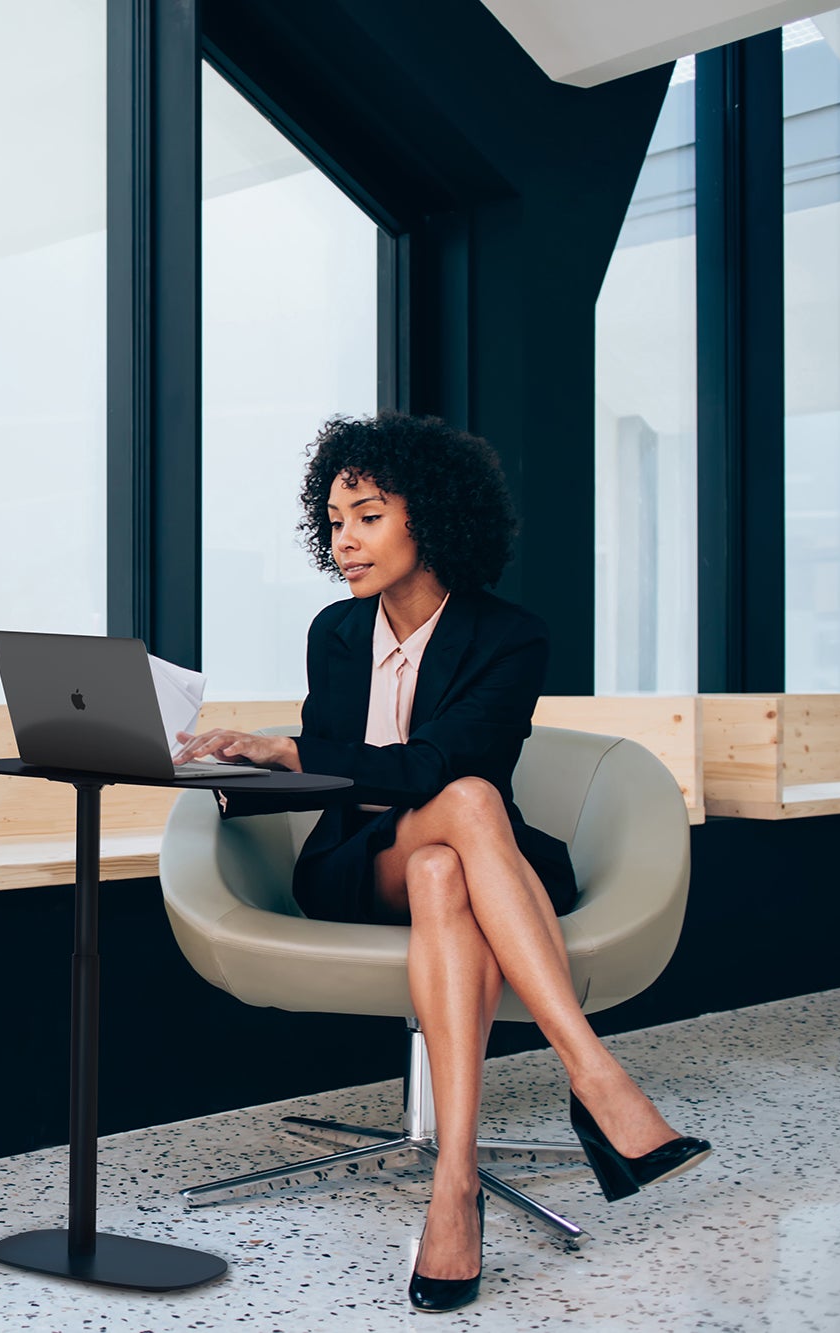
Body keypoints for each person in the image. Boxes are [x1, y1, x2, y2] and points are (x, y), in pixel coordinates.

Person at [174, 412, 710, 1314]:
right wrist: (250, 767)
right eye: (336, 520)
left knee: (451, 842)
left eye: (369, 516)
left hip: (475, 862)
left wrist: (296, 752)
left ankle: (452, 1184)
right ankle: (595, 1075)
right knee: (464, 807)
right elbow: (346, 770)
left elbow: (434, 762)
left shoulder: (511, 636)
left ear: (435, 519)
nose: (344, 540)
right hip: (353, 865)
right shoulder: (335, 634)